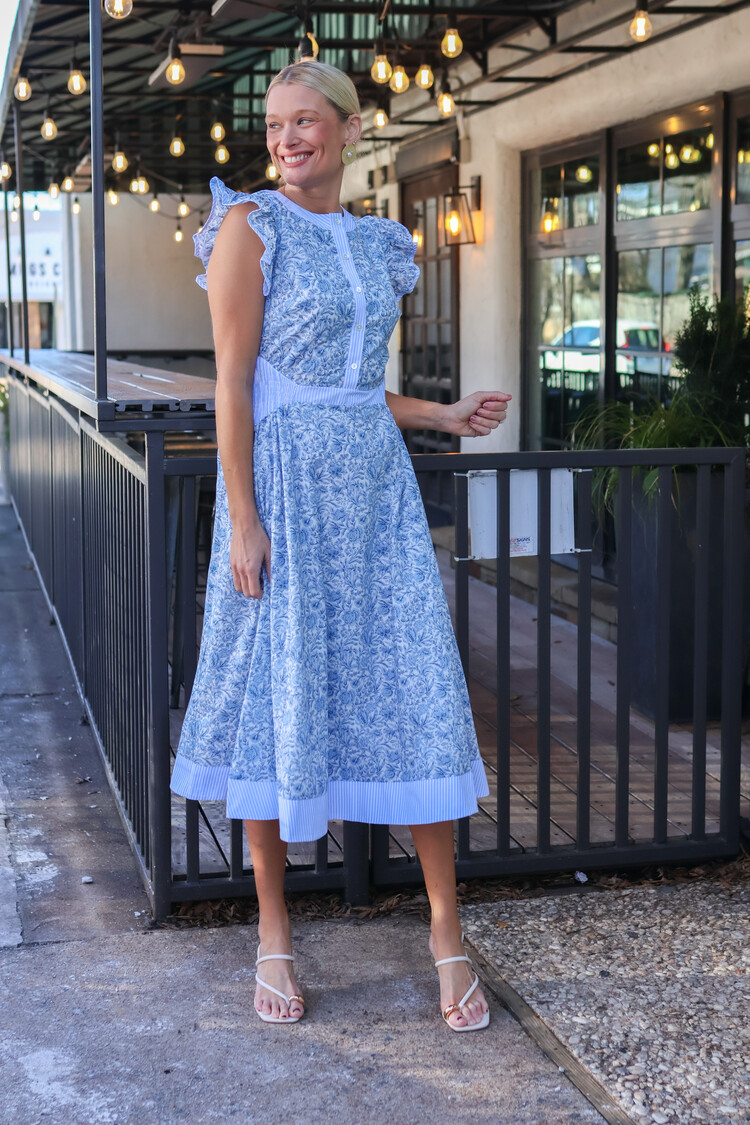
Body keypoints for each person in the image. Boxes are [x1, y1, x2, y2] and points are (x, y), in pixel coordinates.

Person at [170, 59, 511, 1032]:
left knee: (414, 687)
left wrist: (441, 413)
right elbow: (236, 382)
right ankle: (274, 929)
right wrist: (243, 516)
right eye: (275, 124)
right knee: (277, 698)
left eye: (305, 121)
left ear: (351, 130)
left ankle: (446, 931)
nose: (286, 139)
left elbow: (357, 389)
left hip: (375, 499)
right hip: (285, 495)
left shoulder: (377, 241)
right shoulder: (250, 227)